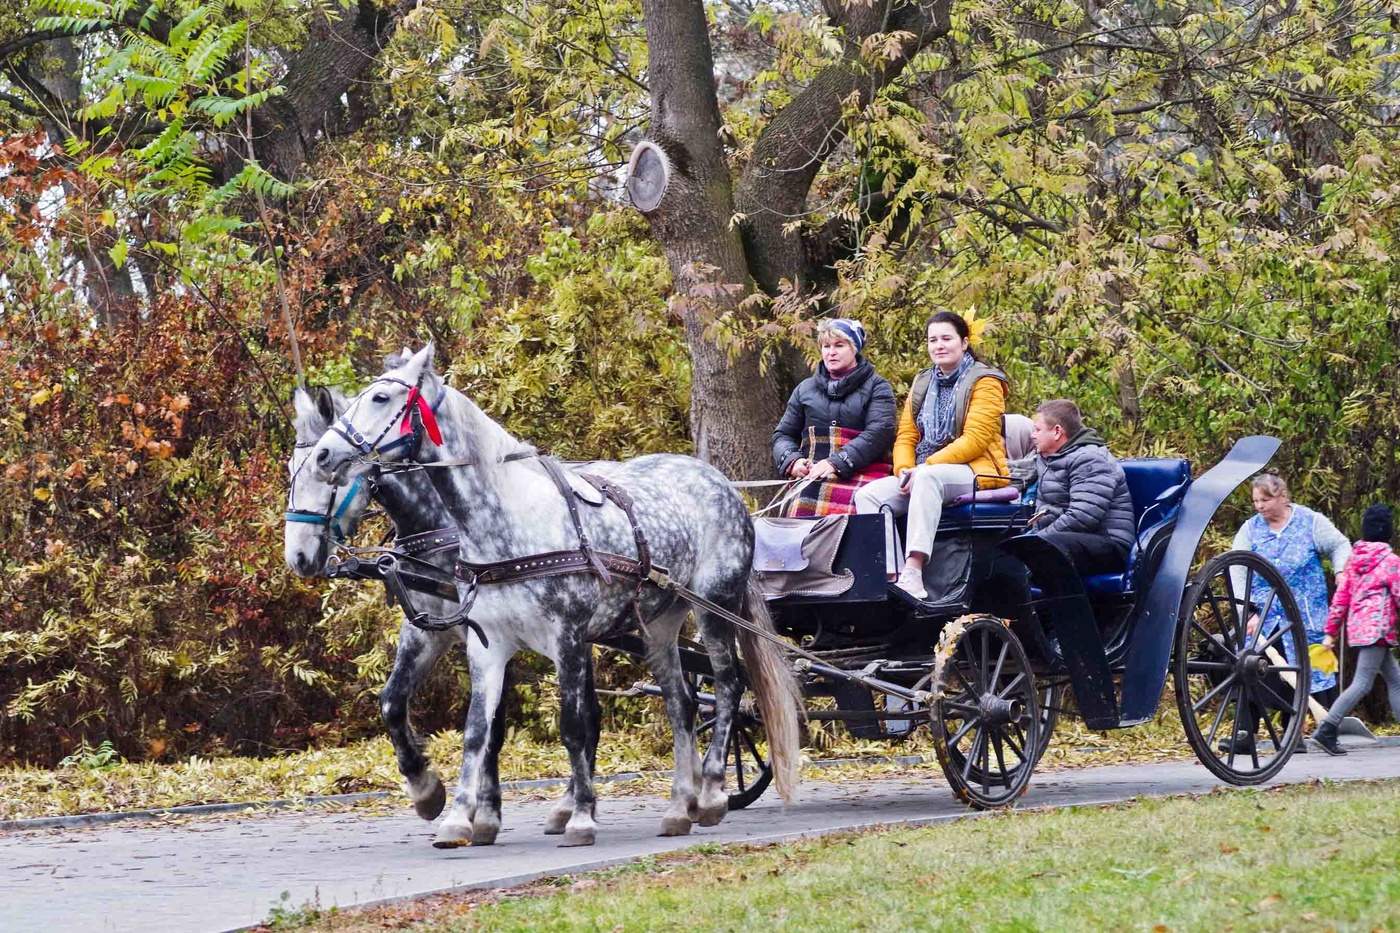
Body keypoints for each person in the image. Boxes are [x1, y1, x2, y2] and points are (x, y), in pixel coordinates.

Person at [854, 310, 1009, 599]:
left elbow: (975, 440)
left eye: (946, 338)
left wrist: (924, 466)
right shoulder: (923, 381)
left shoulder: (986, 381)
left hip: (975, 469)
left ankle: (914, 570)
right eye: (932, 339)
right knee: (868, 495)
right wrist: (903, 469)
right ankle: (890, 575)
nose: (938, 345)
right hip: (926, 471)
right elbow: (907, 436)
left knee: (927, 477)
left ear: (964, 343)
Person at [1233, 473, 1350, 704]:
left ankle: (1322, 729)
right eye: (1255, 501)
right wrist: (1246, 612)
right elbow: (1236, 568)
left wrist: (1341, 571)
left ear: (1282, 497)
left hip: (1305, 614)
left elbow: (1340, 545)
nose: (1259, 507)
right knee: (1253, 668)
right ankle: (1246, 733)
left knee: (1314, 670)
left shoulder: (1309, 521)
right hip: (1265, 616)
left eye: (1264, 501)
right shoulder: (1250, 529)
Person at [771, 319, 895, 516]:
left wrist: (837, 462)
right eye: (826, 346)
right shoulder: (804, 389)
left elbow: (880, 433)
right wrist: (792, 461)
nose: (831, 352)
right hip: (812, 475)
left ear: (854, 348)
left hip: (863, 472)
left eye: (839, 345)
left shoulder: (878, 387)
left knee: (857, 509)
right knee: (798, 503)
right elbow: (783, 435)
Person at [1313, 504, 1400, 755]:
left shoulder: (1354, 561)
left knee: (1395, 680)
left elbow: (1341, 599)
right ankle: (1327, 729)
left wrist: (1331, 631)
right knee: (1362, 683)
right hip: (1378, 630)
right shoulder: (1390, 562)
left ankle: (1327, 729)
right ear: (1388, 532)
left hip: (1360, 631)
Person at [1024, 400, 1135, 574]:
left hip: (1107, 543)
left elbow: (1082, 517)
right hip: (1062, 537)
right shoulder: (1047, 457)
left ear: (1057, 432)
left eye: (1038, 430)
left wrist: (1037, 539)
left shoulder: (1090, 459)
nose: (1032, 435)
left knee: (1047, 549)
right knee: (1004, 551)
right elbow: (1015, 474)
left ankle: (1064, 602)